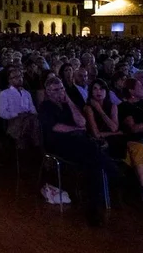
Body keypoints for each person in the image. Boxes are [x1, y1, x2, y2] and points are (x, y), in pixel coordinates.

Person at [37, 76, 119, 226]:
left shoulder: (67, 104)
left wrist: (68, 100)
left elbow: (82, 122)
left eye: (62, 88)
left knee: (92, 161)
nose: (60, 92)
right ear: (48, 92)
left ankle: (93, 208)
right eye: (56, 90)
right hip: (58, 144)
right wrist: (76, 129)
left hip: (78, 142)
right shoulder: (45, 106)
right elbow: (56, 128)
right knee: (93, 152)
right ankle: (114, 173)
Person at [85, 79, 143, 218]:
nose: (99, 92)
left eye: (102, 89)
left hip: (120, 141)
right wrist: (98, 109)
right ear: (91, 92)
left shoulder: (113, 107)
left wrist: (113, 130)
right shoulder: (88, 108)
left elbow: (114, 127)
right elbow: (97, 134)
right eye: (95, 89)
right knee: (139, 152)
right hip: (103, 144)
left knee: (141, 149)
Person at [0, 67, 41, 150]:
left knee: (36, 121)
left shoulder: (26, 93)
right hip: (14, 120)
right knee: (30, 123)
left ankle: (35, 148)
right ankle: (34, 147)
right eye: (16, 77)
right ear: (9, 80)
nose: (20, 79)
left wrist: (33, 114)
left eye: (20, 76)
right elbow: (2, 113)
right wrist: (16, 114)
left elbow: (32, 107)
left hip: (30, 119)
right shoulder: (5, 93)